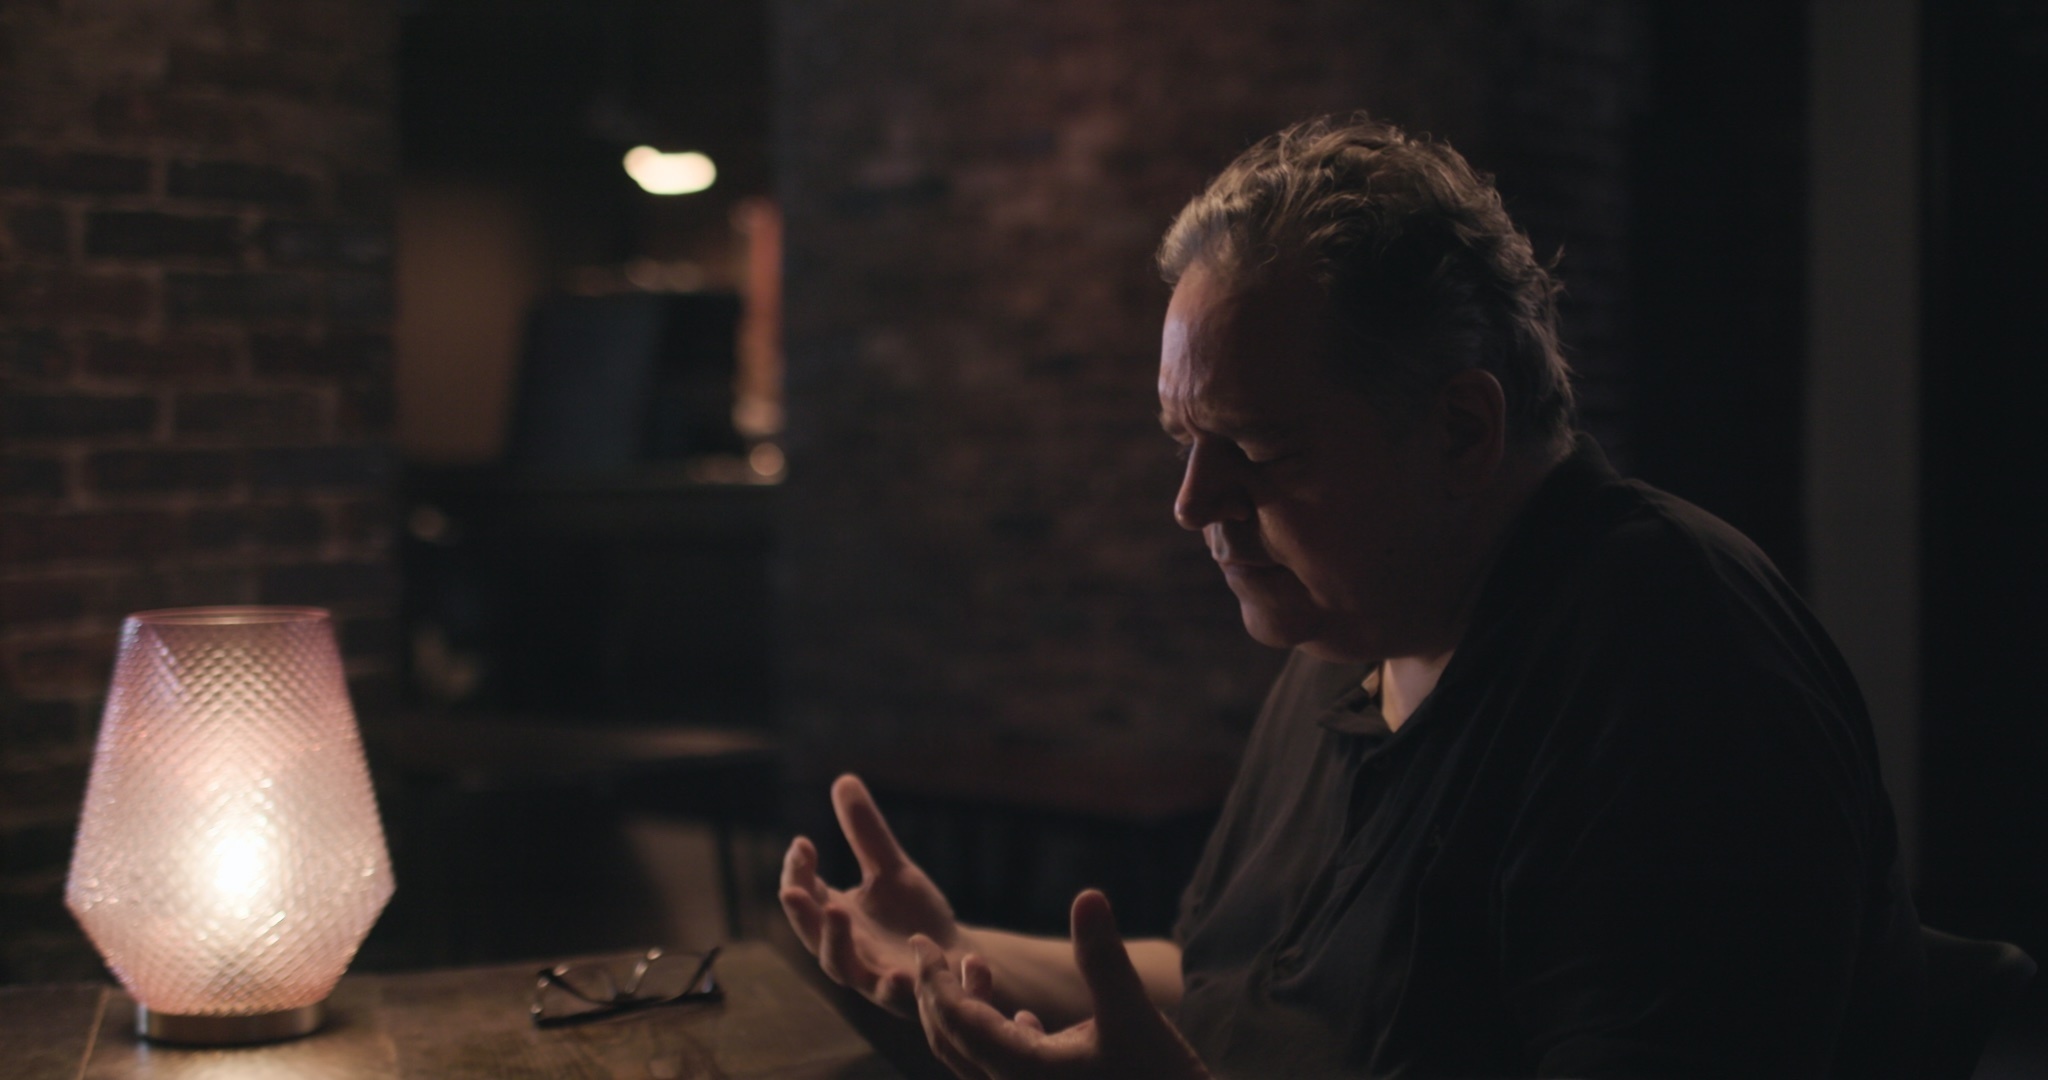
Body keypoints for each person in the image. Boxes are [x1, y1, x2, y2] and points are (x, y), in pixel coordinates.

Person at [780, 114, 1925, 1078]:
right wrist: (959, 949)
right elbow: (1245, 985)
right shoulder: (1351, 633)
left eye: (1258, 447)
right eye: (1185, 440)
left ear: (1462, 428)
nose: (1191, 502)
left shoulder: (1670, 668)